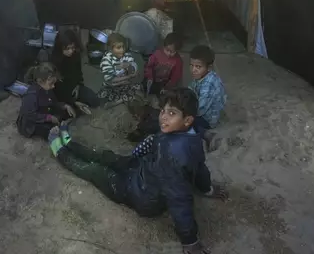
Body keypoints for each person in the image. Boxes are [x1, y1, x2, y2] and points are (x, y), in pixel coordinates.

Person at [48, 88, 227, 254]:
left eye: (171, 113)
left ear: (187, 120)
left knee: (96, 171)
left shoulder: (173, 155)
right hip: (141, 169)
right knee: (107, 157)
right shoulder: (190, 135)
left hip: (139, 194)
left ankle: (60, 151)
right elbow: (200, 168)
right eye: (164, 111)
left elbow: (179, 198)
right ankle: (70, 142)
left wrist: (189, 240)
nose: (163, 117)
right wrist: (207, 188)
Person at [16, 62, 76, 140]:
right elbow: (30, 115)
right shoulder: (31, 95)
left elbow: (53, 102)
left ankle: (62, 130)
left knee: (65, 114)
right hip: (31, 122)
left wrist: (64, 106)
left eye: (54, 83)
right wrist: (48, 117)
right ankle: (60, 146)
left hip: (44, 111)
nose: (53, 86)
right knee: (52, 131)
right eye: (51, 84)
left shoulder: (47, 89)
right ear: (40, 81)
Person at [51, 29, 99, 114]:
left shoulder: (75, 56)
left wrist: (78, 86)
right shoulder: (55, 62)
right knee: (68, 113)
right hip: (61, 94)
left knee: (94, 101)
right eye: (67, 48)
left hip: (75, 87)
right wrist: (72, 101)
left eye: (72, 48)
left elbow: (78, 73)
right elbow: (58, 89)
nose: (70, 51)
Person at [188, 45, 226, 140]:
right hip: (202, 109)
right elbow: (190, 88)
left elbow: (200, 110)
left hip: (209, 119)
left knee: (184, 121)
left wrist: (183, 111)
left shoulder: (209, 83)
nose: (193, 70)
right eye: (191, 65)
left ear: (209, 67)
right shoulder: (201, 75)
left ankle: (206, 135)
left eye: (198, 66)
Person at [97, 33, 141, 106]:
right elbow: (111, 79)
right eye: (118, 47)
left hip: (125, 84)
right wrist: (128, 77)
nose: (122, 50)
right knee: (104, 95)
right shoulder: (106, 60)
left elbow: (134, 67)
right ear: (110, 49)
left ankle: (117, 101)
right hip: (112, 85)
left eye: (123, 47)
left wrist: (130, 65)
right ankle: (119, 100)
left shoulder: (126, 55)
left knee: (138, 87)